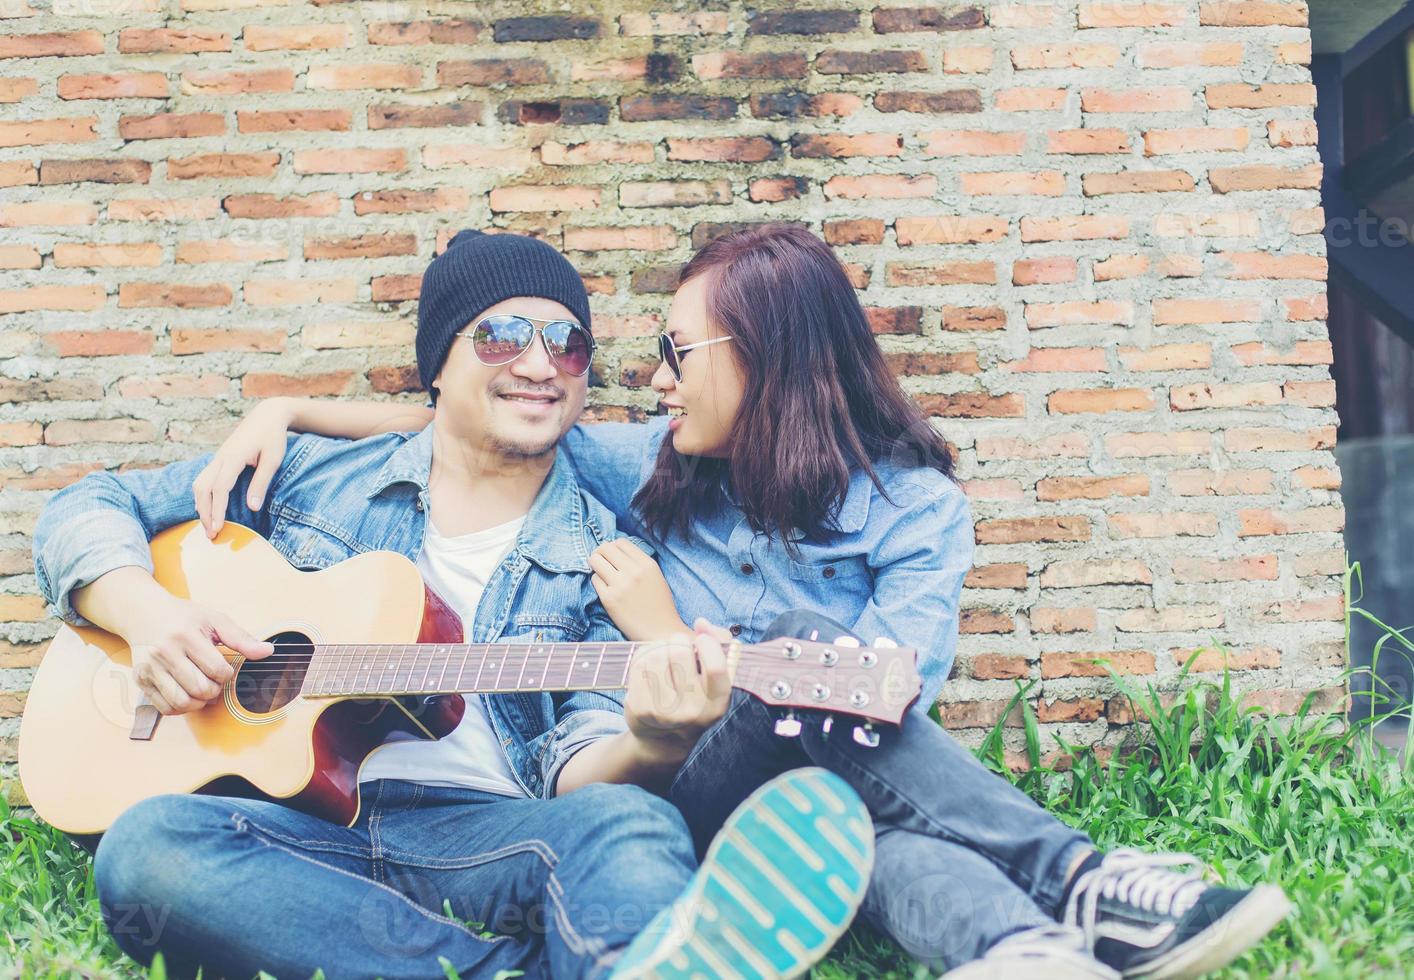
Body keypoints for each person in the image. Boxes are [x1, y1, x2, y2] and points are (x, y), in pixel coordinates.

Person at [197, 225, 1293, 979]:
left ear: (763, 357)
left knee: (844, 802)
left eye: (676, 352)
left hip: (819, 799)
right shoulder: (646, 461)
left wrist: (669, 629)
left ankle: (1022, 946)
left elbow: (884, 701)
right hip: (679, 787)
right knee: (805, 654)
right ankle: (1081, 878)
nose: (656, 379)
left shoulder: (914, 510)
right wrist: (290, 408)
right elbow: (483, 411)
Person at [29, 230, 876, 979]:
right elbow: (87, 506)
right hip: (295, 831)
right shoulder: (308, 477)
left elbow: (576, 759)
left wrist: (655, 739)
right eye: (503, 336)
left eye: (569, 344)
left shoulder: (608, 558)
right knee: (149, 848)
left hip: (484, 838)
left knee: (628, 827)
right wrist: (147, 618)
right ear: (440, 362)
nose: (541, 365)